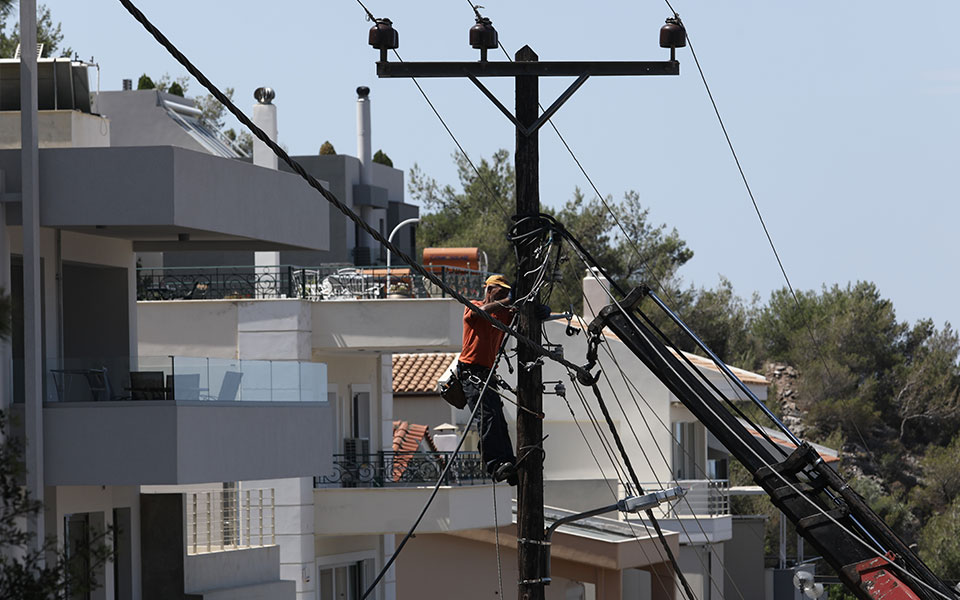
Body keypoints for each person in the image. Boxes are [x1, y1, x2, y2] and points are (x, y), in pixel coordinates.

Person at [459, 274, 518, 486]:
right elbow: (483, 313)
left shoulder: (504, 315)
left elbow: (519, 314)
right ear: (489, 290)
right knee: (488, 418)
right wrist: (507, 302)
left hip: (487, 373)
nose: (503, 297)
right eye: (499, 293)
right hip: (470, 372)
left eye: (506, 293)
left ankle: (509, 465)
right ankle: (495, 465)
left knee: (499, 421)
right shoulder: (473, 306)